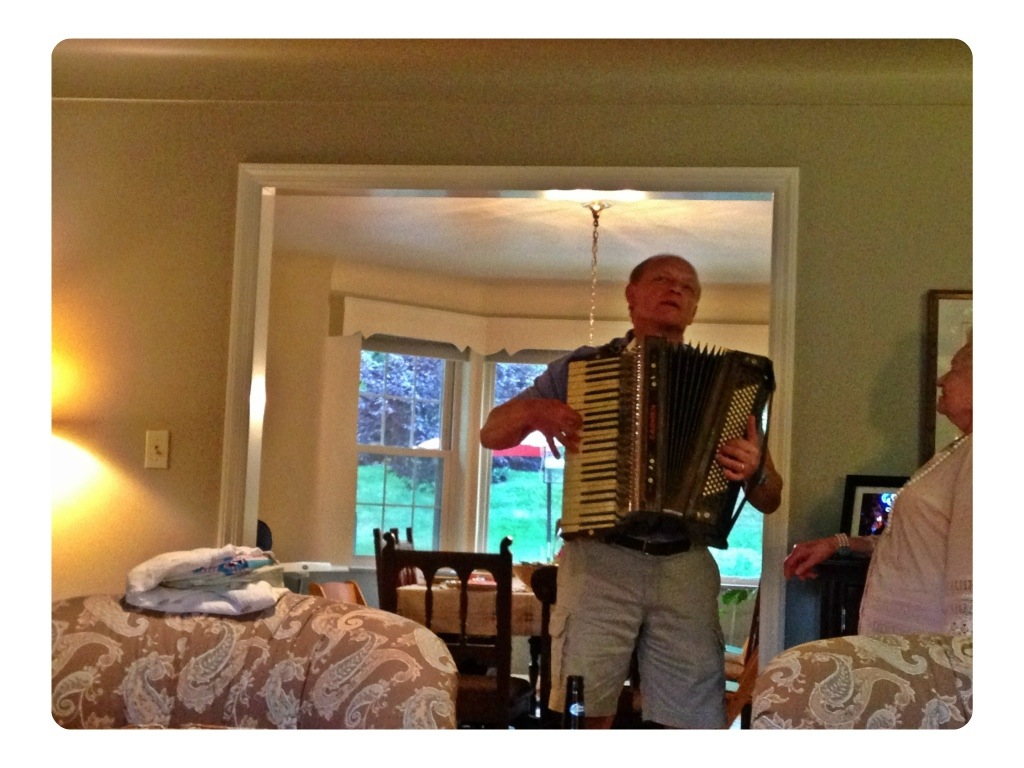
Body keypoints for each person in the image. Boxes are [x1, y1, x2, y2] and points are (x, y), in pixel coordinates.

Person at [480, 254, 783, 729]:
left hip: (685, 564)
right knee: (584, 709)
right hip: (599, 560)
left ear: (694, 308)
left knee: (691, 721)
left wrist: (755, 469)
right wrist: (537, 411)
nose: (676, 289)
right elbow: (492, 433)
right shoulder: (582, 368)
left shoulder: (732, 385)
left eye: (688, 286)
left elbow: (770, 497)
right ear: (631, 295)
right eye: (662, 279)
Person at [784, 338, 972, 636]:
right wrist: (839, 543)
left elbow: (972, 593)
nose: (941, 380)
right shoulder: (961, 449)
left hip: (928, 650)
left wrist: (957, 660)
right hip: (902, 644)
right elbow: (913, 543)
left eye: (955, 368)